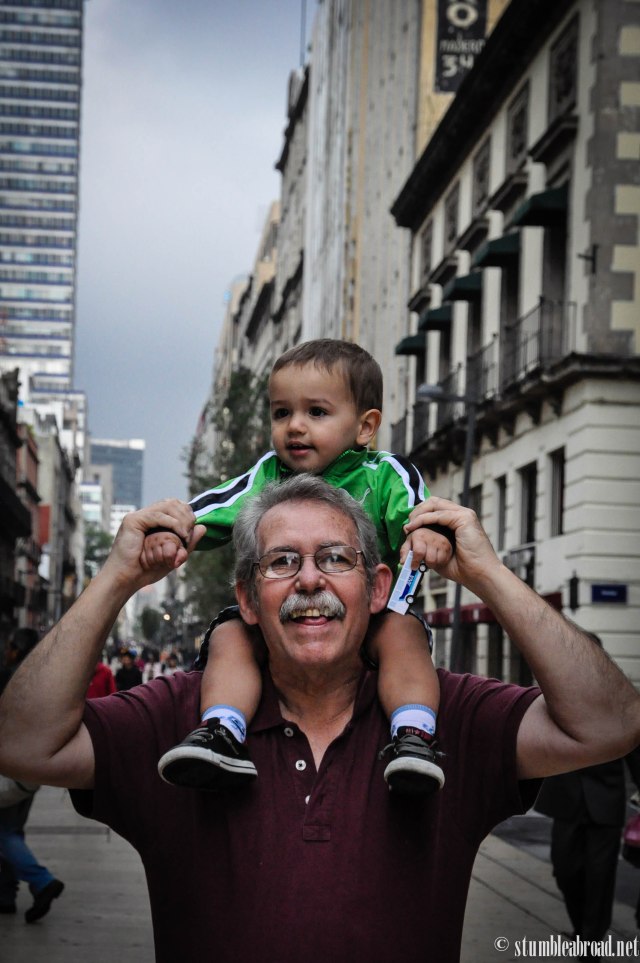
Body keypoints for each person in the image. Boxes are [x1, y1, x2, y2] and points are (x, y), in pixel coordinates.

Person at [0, 479, 639, 962]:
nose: (309, 580)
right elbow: (21, 743)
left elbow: (609, 724)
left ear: (379, 588)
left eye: (335, 558)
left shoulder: (445, 713)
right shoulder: (181, 719)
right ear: (247, 600)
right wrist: (116, 578)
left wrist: (488, 574)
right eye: (282, 562)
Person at [149, 339, 453, 795]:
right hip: (287, 617)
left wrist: (428, 534)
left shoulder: (387, 474)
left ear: (365, 426)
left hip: (375, 612)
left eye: (316, 412)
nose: (294, 426)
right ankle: (222, 730)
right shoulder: (268, 474)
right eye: (281, 413)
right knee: (230, 635)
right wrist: (175, 528)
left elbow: (418, 515)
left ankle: (413, 736)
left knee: (403, 634)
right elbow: (216, 508)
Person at [535, 633, 640, 954]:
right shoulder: (554, 695)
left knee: (600, 876)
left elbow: (635, 748)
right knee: (565, 869)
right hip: (566, 802)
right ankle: (582, 929)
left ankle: (591, 942)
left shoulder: (618, 698)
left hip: (605, 802)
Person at [0, 629, 64, 923]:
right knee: (12, 832)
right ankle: (7, 894)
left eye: (10, 646)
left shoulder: (8, 678)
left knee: (4, 834)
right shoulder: (41, 679)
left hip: (8, 772)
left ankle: (41, 881)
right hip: (29, 774)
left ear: (16, 649)